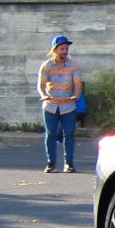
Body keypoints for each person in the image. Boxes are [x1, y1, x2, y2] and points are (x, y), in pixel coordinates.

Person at [38, 35, 83, 172]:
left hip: (68, 106)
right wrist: (44, 95)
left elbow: (78, 83)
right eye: (62, 49)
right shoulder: (47, 66)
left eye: (66, 49)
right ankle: (51, 163)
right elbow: (41, 84)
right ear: (55, 50)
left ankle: (69, 163)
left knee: (68, 134)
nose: (65, 51)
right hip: (50, 106)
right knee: (51, 134)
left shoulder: (73, 66)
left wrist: (77, 95)